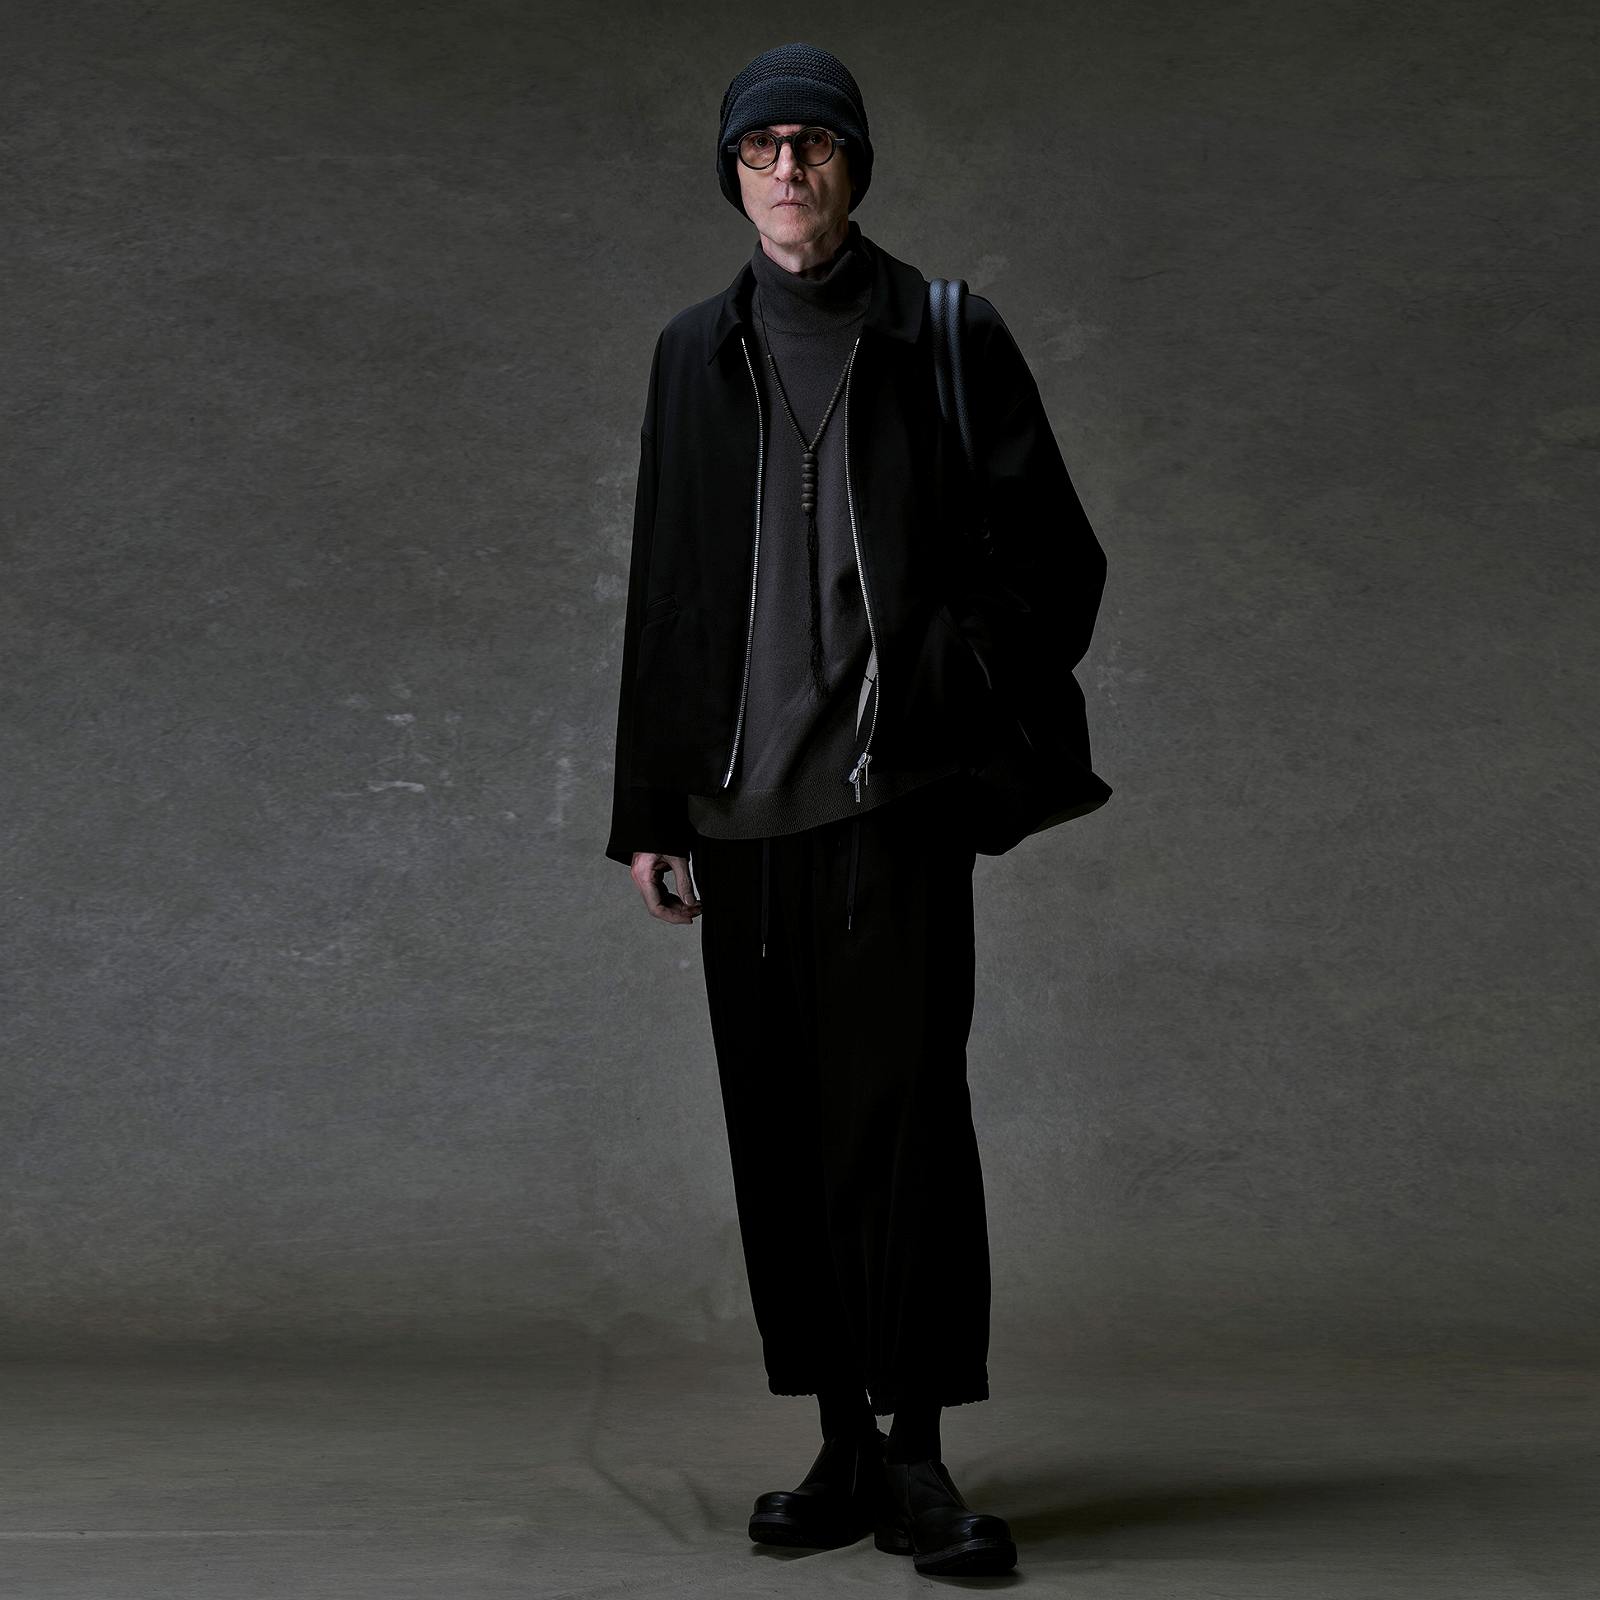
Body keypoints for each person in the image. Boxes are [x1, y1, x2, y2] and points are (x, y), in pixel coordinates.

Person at [603, 41, 1109, 1579]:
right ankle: (836, 1442)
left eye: (814, 145)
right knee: (780, 1138)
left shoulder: (945, 333)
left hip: (893, 809)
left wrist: (941, 680)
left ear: (854, 167)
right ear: (731, 172)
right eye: (761, 147)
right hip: (737, 817)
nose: (787, 170)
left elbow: (1056, 566)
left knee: (904, 1132)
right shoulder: (691, 354)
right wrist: (650, 807)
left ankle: (920, 1457)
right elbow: (665, 587)